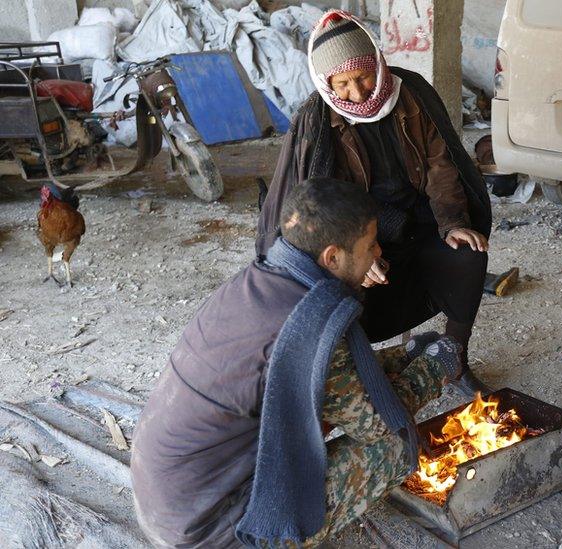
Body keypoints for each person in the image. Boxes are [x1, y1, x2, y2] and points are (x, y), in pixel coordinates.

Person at [131, 179, 464, 547]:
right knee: (397, 447)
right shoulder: (308, 323)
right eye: (370, 244)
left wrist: (405, 354)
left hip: (169, 505)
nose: (378, 252)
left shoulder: (261, 281)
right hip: (216, 529)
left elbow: (333, 383)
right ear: (332, 258)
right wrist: (435, 368)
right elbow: (378, 423)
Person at [256, 9, 491, 395]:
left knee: (467, 255)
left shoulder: (410, 92)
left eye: (363, 76)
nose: (359, 92)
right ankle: (370, 380)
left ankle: (455, 363)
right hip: (358, 235)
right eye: (343, 83)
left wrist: (453, 223)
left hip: (420, 222)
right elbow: (322, 208)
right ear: (326, 83)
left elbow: (439, 164)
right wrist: (359, 257)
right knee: (338, 299)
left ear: (378, 63)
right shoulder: (315, 122)